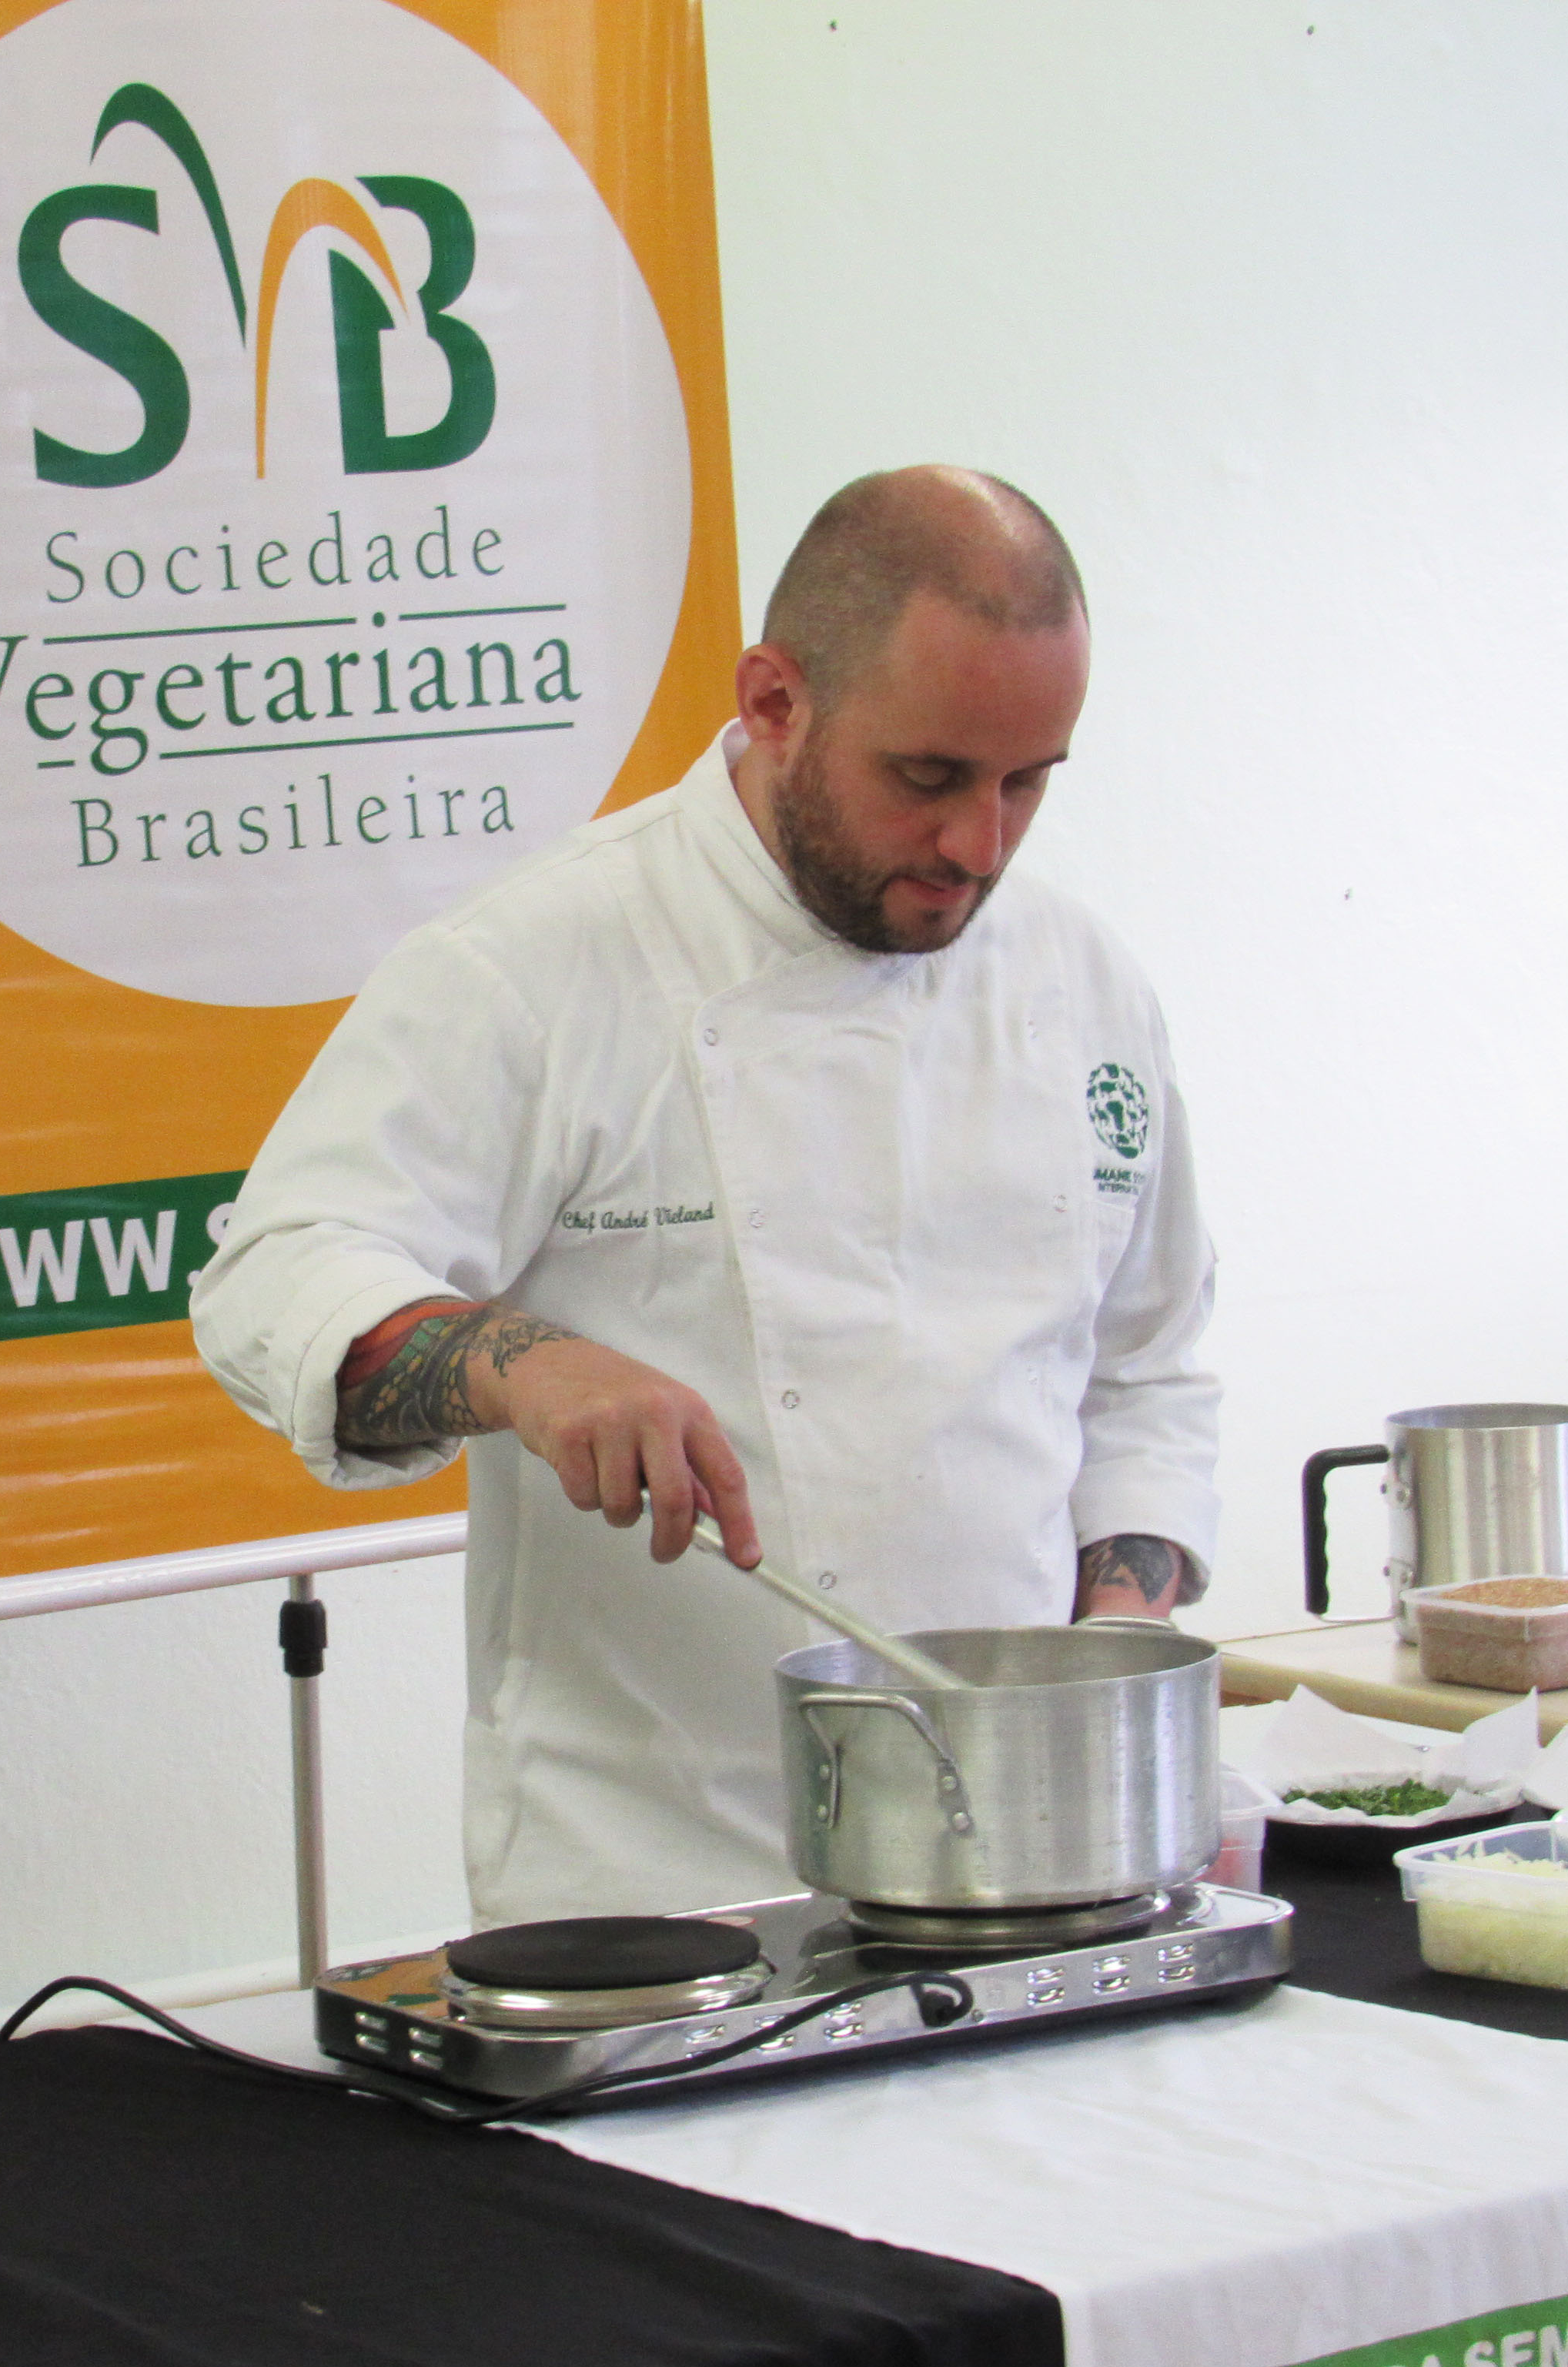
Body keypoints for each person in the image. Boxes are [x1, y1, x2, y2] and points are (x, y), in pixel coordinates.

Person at [192, 468, 1218, 1926]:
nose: (977, 847)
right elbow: (274, 1276)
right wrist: (520, 1363)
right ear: (776, 701)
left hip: (1033, 1860)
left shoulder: (1084, 982)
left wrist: (1111, 1653)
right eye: (928, 778)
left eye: (1029, 781)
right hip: (662, 1885)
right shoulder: (540, 966)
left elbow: (1146, 1364)